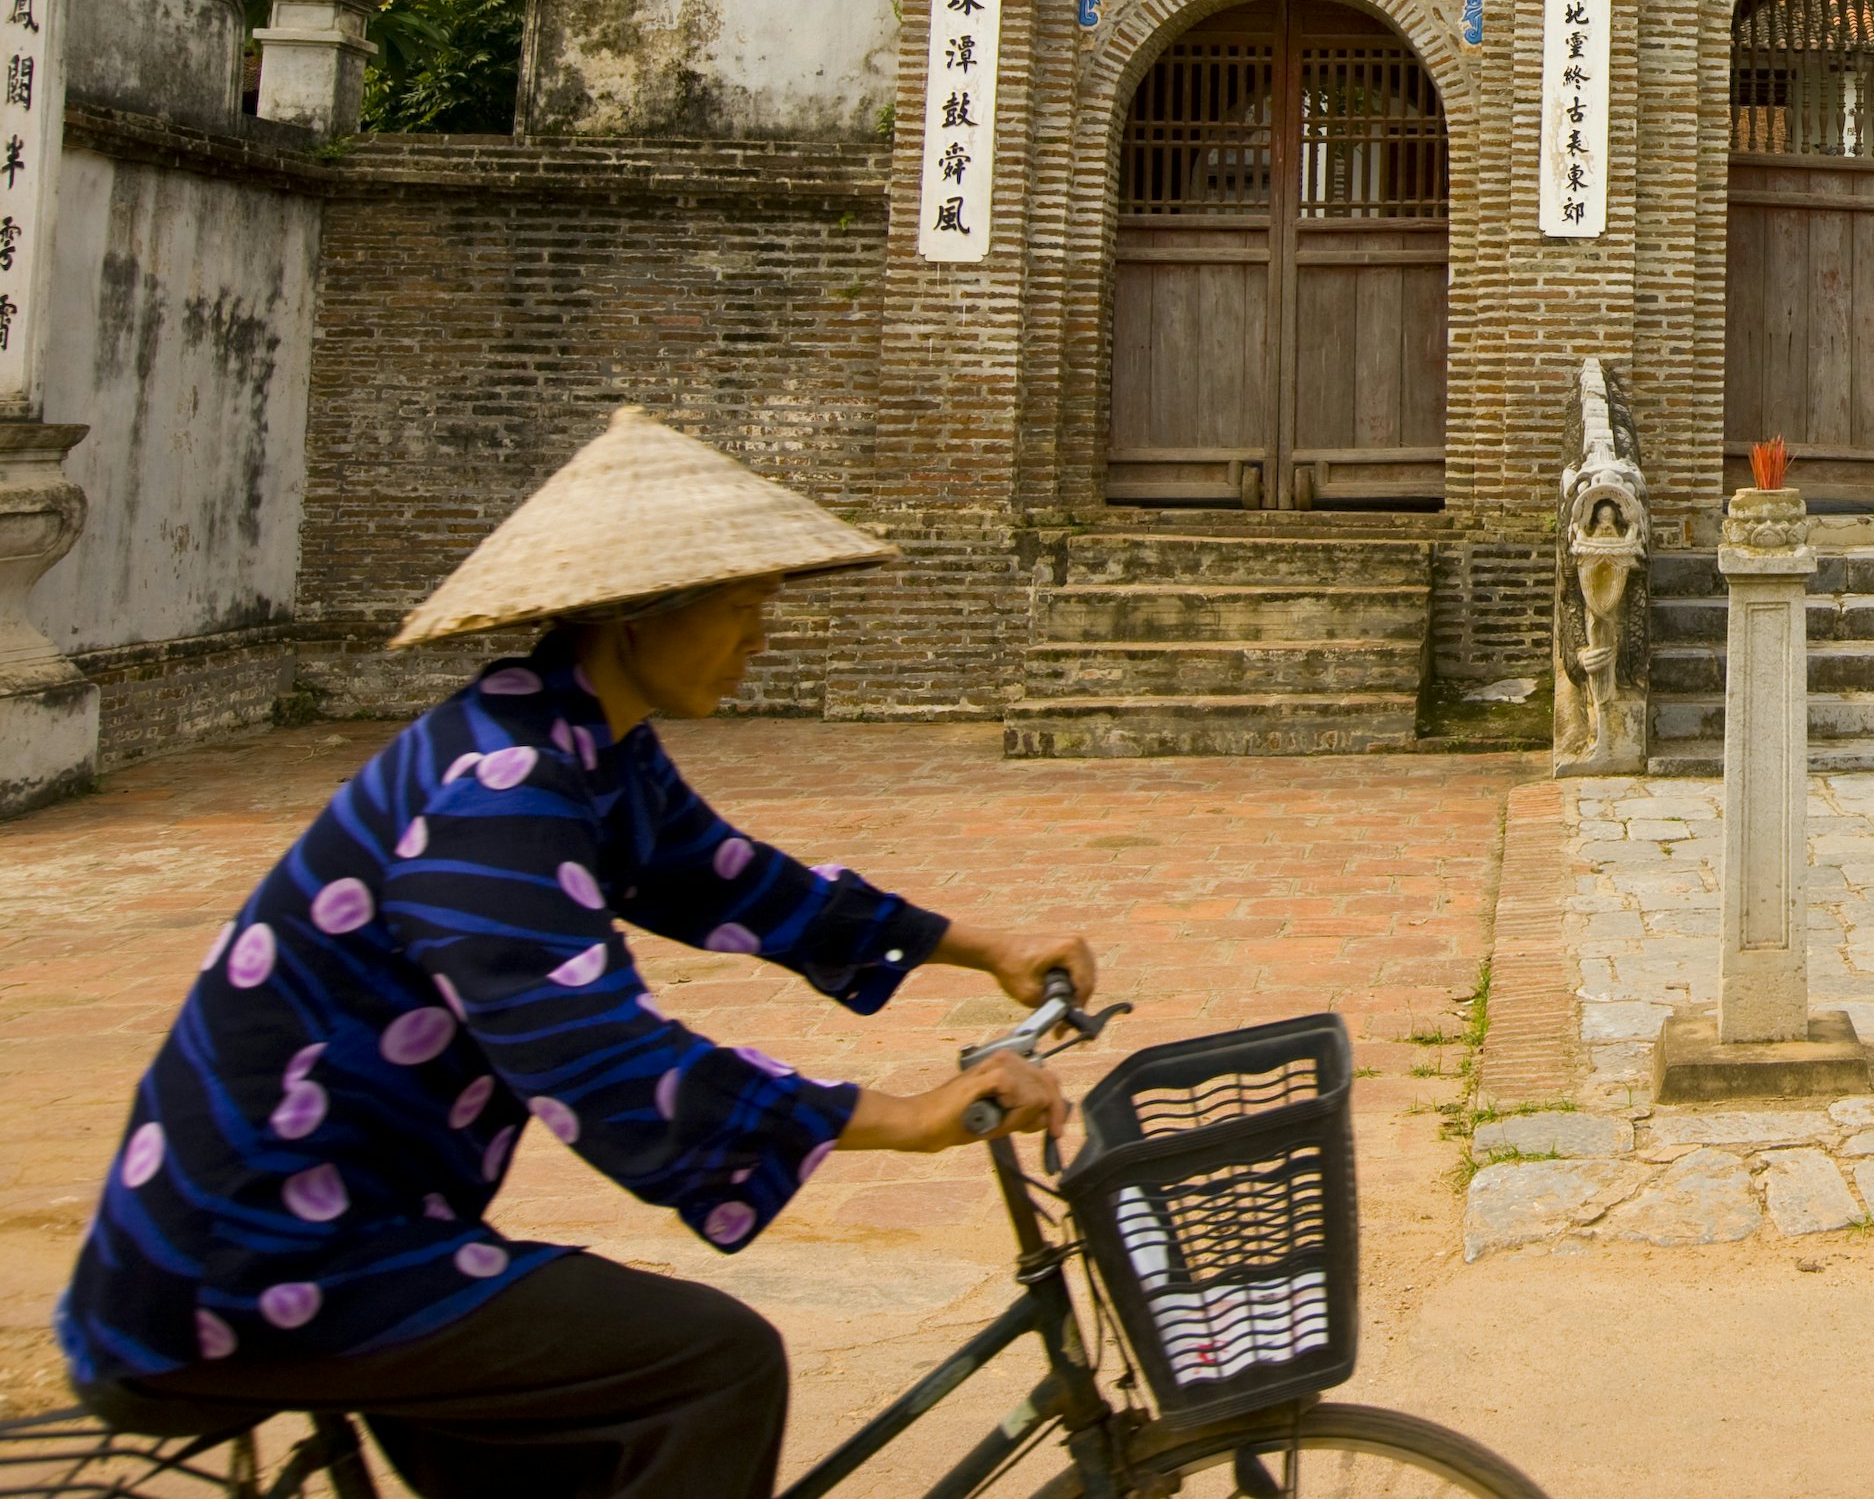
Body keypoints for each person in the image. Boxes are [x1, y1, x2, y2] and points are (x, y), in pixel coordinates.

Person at [55, 407, 1098, 1498]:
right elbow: (600, 1059)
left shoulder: (575, 737)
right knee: (711, 1364)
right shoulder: (496, 792)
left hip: (349, 1230)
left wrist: (991, 949)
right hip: (251, 1262)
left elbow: (730, 878)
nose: (760, 637)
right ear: (638, 618)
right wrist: (904, 1115)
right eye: (742, 609)